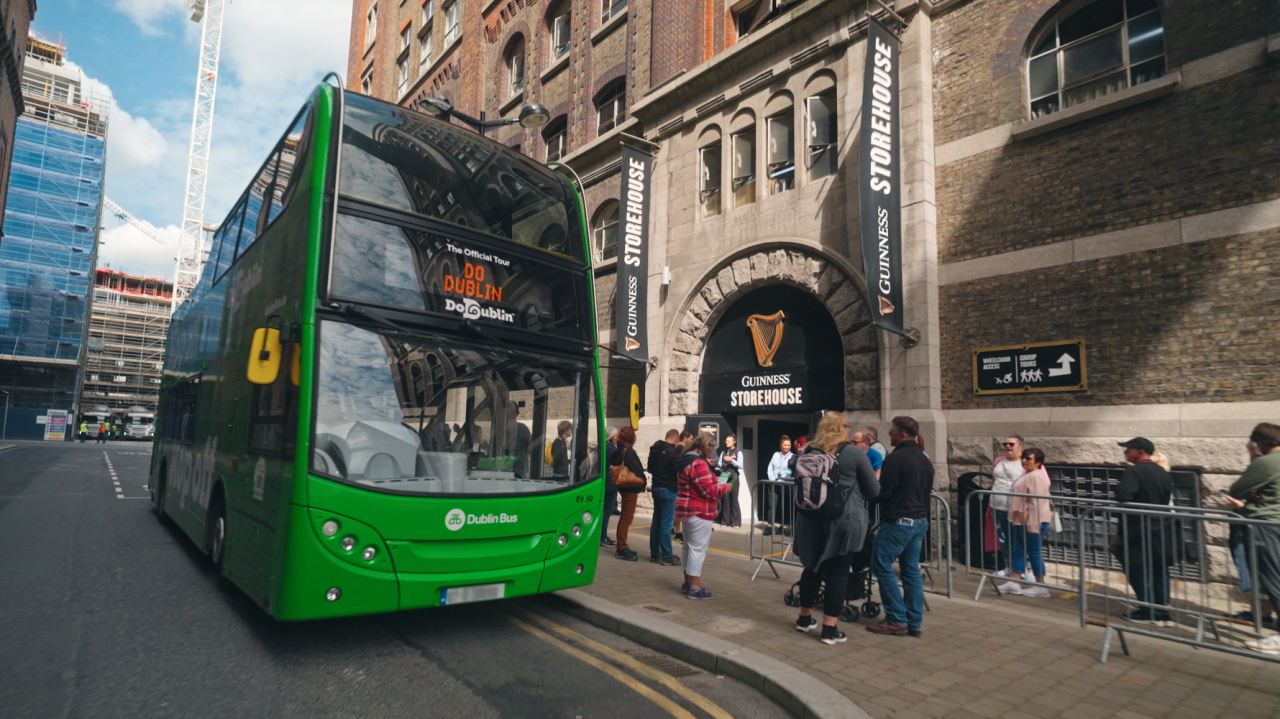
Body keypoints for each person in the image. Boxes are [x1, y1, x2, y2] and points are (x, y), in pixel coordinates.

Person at [793, 413, 880, 645]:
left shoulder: (807, 451)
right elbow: (873, 490)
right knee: (838, 572)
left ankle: (804, 619)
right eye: (847, 426)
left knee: (812, 568)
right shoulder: (852, 453)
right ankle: (829, 630)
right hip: (843, 520)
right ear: (842, 428)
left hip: (810, 518)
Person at [867, 416, 934, 638]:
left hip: (899, 521)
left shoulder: (896, 458)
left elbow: (883, 492)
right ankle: (914, 622)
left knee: (881, 564)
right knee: (911, 570)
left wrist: (869, 496)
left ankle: (896, 618)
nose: (889, 435)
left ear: (902, 434)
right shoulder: (924, 459)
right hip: (919, 520)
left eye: (892, 432)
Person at [1227, 424, 1280, 654]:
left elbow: (1236, 490)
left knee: (1273, 580)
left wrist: (1252, 494)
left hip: (1267, 526)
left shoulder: (1266, 462)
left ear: (1262, 442)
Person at [1113, 437, 1175, 626]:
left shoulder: (1134, 471)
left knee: (1135, 568)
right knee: (1159, 568)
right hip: (1160, 527)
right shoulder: (1161, 471)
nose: (1125, 453)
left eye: (1129, 449)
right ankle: (1162, 611)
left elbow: (1122, 496)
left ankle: (1149, 610)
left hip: (1137, 529)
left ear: (1140, 452)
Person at [675, 432, 734, 599]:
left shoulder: (684, 459)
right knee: (697, 550)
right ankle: (695, 588)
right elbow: (708, 491)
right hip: (699, 511)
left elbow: (697, 483)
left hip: (685, 510)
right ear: (704, 445)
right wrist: (725, 488)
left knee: (688, 548)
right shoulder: (698, 463)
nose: (711, 452)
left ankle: (687, 583)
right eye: (710, 448)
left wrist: (713, 480)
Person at [1008, 447, 1053, 598]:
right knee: (1019, 549)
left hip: (1032, 520)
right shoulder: (1027, 474)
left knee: (1034, 552)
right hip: (1022, 519)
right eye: (1024, 458)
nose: (1024, 461)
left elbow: (1036, 502)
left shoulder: (1036, 476)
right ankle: (1014, 582)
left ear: (1038, 462)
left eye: (1029, 459)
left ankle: (1041, 585)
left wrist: (1034, 525)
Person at [990, 434, 1026, 590]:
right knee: (1003, 538)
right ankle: (1009, 567)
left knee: (1020, 539)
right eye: (1005, 444)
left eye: (1011, 444)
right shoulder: (998, 461)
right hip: (997, 506)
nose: (1007, 447)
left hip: (1016, 509)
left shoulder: (1025, 462)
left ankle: (1026, 569)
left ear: (1020, 446)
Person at [647, 429, 683, 565]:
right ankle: (667, 556)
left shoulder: (655, 449)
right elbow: (677, 471)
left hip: (656, 487)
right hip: (669, 489)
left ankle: (655, 553)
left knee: (656, 521)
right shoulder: (673, 452)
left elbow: (650, 468)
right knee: (666, 524)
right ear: (675, 439)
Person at [610, 427, 646, 561]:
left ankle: (622, 546)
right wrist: (643, 482)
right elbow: (637, 469)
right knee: (627, 518)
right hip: (630, 487)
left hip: (623, 486)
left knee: (624, 517)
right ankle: (622, 548)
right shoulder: (628, 451)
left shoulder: (617, 451)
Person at [715, 434, 743, 527]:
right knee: (725, 498)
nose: (727, 442)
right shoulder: (723, 452)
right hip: (724, 476)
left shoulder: (738, 452)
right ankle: (725, 521)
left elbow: (741, 465)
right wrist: (718, 466)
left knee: (734, 498)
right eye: (726, 441)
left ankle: (736, 522)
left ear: (734, 442)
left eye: (729, 441)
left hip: (734, 476)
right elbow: (719, 464)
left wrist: (732, 460)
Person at [673, 429, 694, 542]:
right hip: (680, 483)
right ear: (685, 438)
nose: (692, 441)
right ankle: (679, 532)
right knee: (680, 508)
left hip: (677, 482)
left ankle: (677, 531)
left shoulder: (677, 449)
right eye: (691, 439)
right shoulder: (682, 450)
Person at [601, 427, 620, 547]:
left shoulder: (606, 448)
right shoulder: (611, 449)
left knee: (605, 511)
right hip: (610, 483)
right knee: (607, 511)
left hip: (607, 482)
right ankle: (602, 536)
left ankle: (602, 534)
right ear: (611, 437)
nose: (618, 438)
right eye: (616, 436)